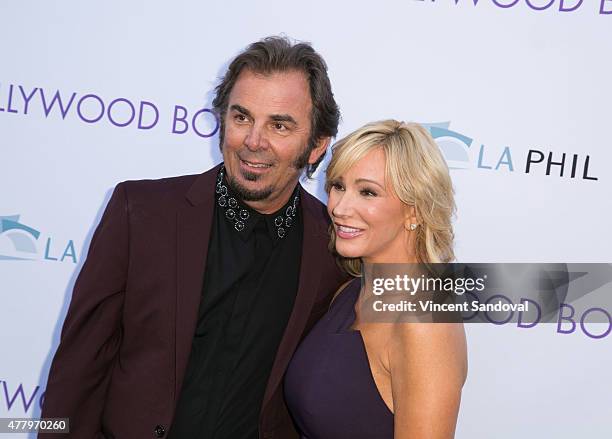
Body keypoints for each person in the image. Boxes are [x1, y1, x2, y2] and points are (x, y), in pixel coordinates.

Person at [40, 36, 348, 439]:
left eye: (279, 125)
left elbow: (428, 302)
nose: (253, 141)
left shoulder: (335, 246)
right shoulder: (141, 213)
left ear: (316, 146)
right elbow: (76, 373)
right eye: (241, 117)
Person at [284, 120, 468, 438]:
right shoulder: (349, 290)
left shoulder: (424, 322)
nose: (340, 207)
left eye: (368, 192)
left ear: (415, 210)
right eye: (338, 186)